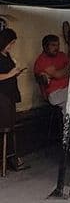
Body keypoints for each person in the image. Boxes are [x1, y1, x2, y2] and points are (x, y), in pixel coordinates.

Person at [0, 27, 28, 170]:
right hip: (2, 95)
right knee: (5, 126)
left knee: (11, 126)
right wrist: (10, 74)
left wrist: (16, 73)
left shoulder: (7, 55)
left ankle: (11, 158)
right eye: (10, 43)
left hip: (10, 93)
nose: (11, 46)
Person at [33, 34, 70, 110]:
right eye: (53, 45)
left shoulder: (61, 55)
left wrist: (68, 69)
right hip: (54, 94)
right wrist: (69, 67)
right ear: (45, 47)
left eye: (58, 45)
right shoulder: (42, 61)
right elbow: (58, 75)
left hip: (68, 88)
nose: (56, 48)